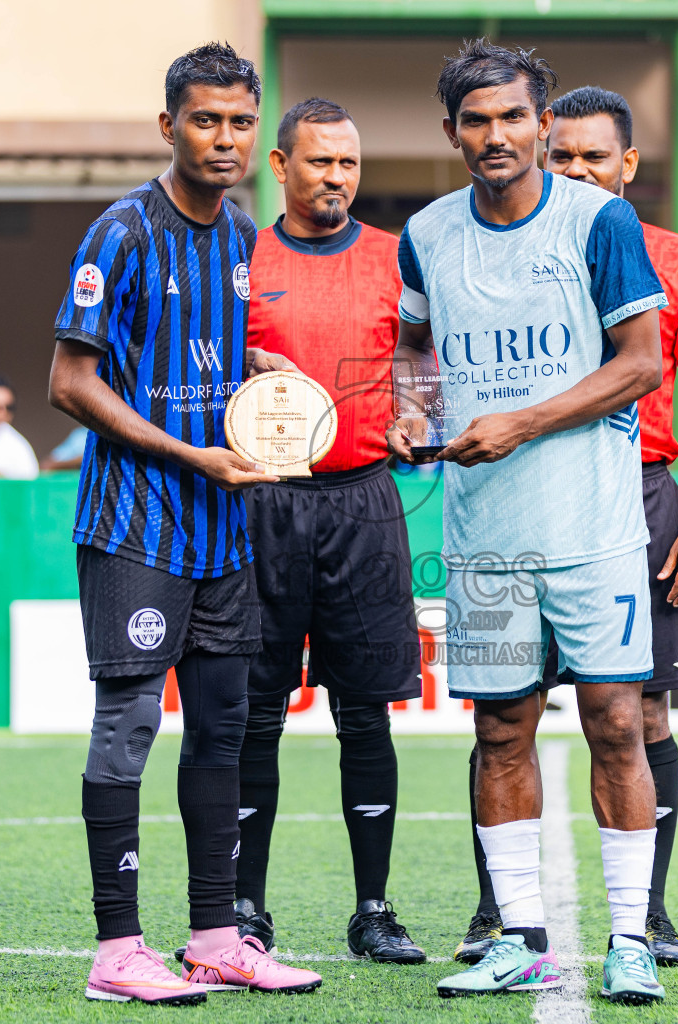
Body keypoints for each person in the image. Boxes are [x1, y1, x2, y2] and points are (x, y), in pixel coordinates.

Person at [389, 40, 671, 1005]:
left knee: (617, 723)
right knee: (500, 732)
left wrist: (521, 421)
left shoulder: (602, 220)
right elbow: (412, 348)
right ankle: (519, 936)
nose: (496, 135)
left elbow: (642, 363)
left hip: (594, 529)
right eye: (476, 120)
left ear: (543, 125)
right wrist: (412, 409)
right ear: (451, 132)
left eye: (513, 116)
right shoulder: (425, 234)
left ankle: (631, 939)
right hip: (484, 542)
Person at [46, 41, 322, 1005]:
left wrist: (265, 385)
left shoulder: (244, 236)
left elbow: (214, 359)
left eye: (241, 122)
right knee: (126, 728)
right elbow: (69, 381)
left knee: (223, 729)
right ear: (169, 126)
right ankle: (116, 948)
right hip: (136, 525)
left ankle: (216, 935)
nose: (225, 138)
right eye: (205, 120)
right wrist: (189, 453)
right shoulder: (120, 232)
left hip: (222, 530)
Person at [452, 85, 678, 970]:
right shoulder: (503, 248)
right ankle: (497, 911)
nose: (577, 169)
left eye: (594, 157)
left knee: (638, 713)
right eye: (565, 154)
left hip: (640, 498)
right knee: (507, 714)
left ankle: (646, 917)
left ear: (630, 164)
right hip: (515, 490)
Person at [231, 97, 425, 964]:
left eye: (349, 164)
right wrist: (242, 362)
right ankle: (242, 911)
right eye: (319, 163)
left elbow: (426, 355)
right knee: (252, 716)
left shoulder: (395, 255)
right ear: (280, 166)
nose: (337, 179)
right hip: (260, 508)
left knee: (367, 719)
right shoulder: (238, 254)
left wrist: (419, 407)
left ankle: (374, 912)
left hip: (363, 503)